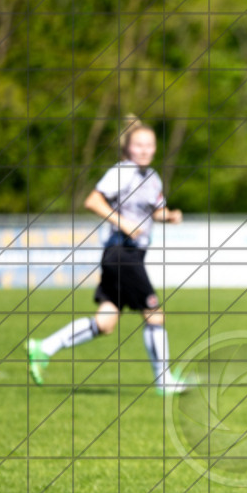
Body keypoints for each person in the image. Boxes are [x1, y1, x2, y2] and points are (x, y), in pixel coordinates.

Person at [27, 115, 188, 395]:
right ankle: (165, 382)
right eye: (139, 145)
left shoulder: (150, 177)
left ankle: (44, 347)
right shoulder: (122, 172)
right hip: (121, 253)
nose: (145, 150)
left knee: (106, 321)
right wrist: (123, 223)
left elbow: (154, 211)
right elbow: (93, 200)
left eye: (149, 145)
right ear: (127, 147)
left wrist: (170, 216)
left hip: (128, 256)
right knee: (154, 313)